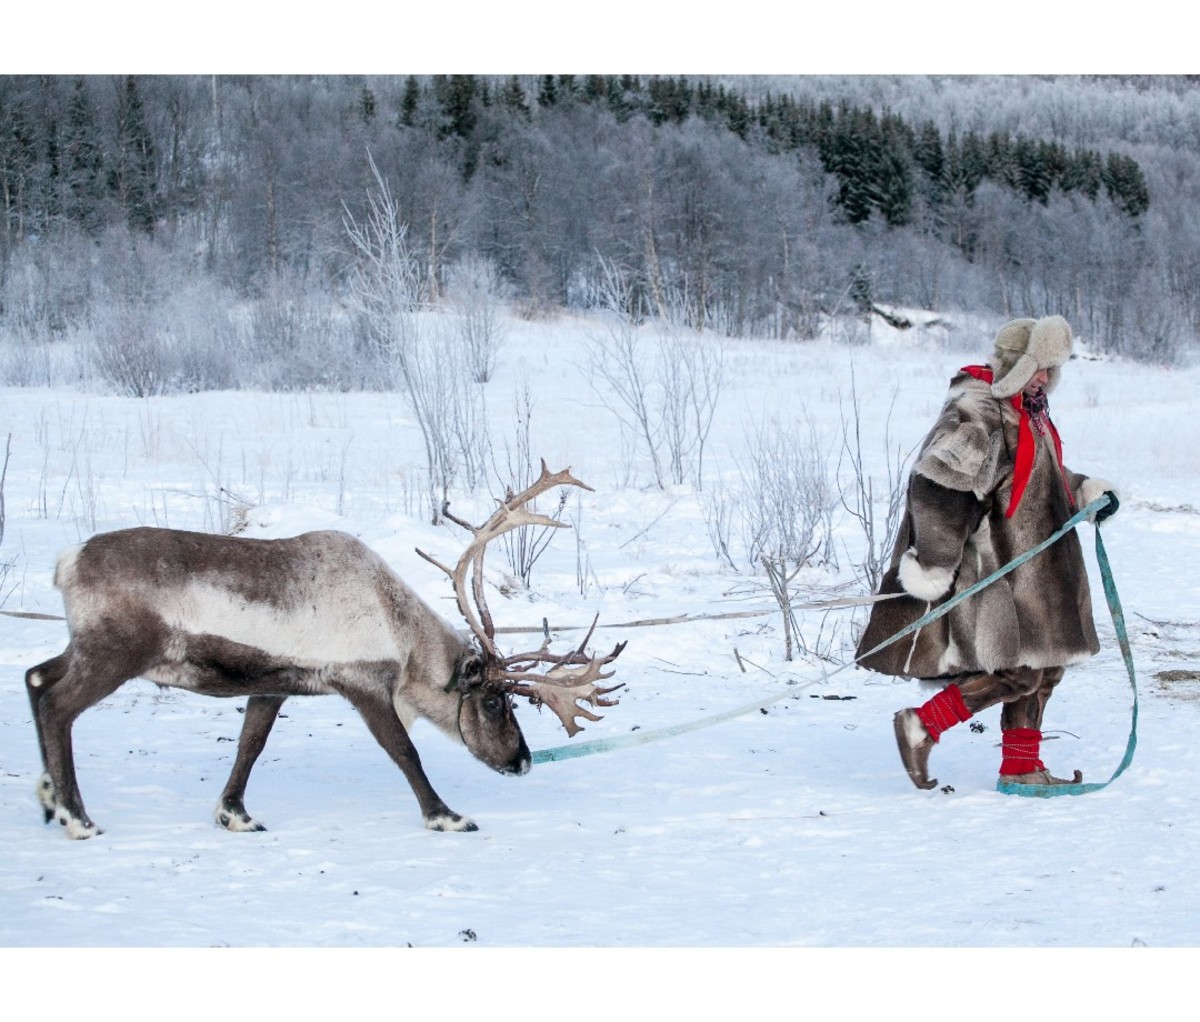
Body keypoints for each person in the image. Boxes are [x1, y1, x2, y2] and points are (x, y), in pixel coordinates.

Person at [855, 315, 1119, 790]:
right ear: (1016, 364)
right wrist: (934, 563)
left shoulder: (1026, 411)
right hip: (993, 570)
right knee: (1017, 670)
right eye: (1038, 367)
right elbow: (938, 486)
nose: (1045, 378)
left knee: (1044, 665)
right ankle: (923, 725)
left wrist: (1083, 492)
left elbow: (1042, 480)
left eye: (1050, 369)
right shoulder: (979, 408)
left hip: (1035, 571)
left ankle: (1021, 767)